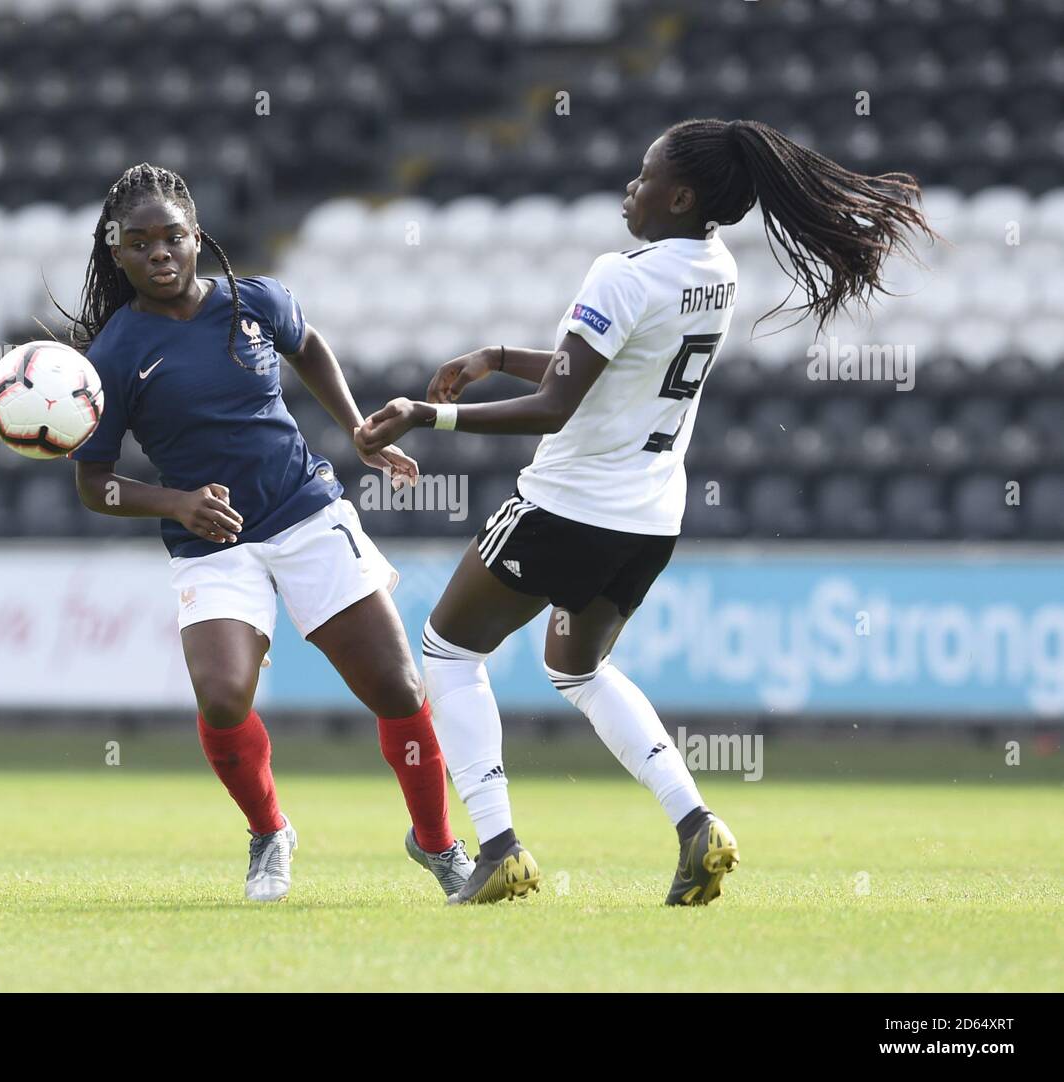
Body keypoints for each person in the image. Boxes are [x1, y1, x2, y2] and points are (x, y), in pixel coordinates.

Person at [355, 119, 935, 905]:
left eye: (644, 174)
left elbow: (558, 404)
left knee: (449, 651)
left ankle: (498, 847)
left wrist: (428, 416)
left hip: (567, 507)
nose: (631, 186)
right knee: (577, 668)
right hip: (649, 518)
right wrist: (495, 357)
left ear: (682, 195)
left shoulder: (619, 274)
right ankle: (696, 824)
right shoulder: (717, 271)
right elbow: (609, 366)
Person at [63, 163, 473, 902]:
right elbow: (95, 485)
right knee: (222, 696)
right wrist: (176, 502)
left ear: (197, 237)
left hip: (306, 513)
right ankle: (269, 831)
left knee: (397, 686)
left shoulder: (256, 301)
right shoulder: (115, 354)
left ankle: (439, 845)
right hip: (210, 543)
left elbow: (308, 343)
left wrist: (357, 429)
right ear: (115, 254)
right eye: (139, 243)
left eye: (173, 237)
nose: (159, 253)